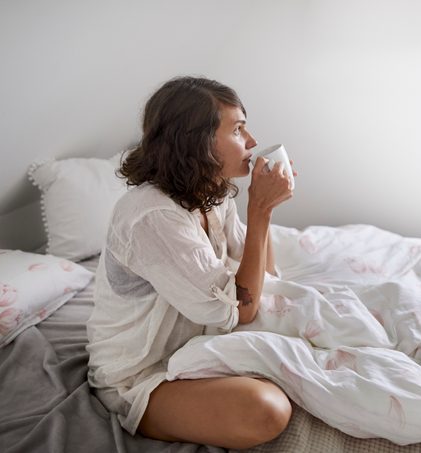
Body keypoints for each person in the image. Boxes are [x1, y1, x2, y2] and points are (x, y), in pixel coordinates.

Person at [85, 76, 296, 449]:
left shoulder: (211, 194)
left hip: (196, 343)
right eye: (238, 129)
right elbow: (241, 310)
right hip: (142, 372)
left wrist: (266, 205)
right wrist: (260, 209)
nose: (251, 142)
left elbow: (263, 274)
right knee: (267, 410)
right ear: (196, 141)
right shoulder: (152, 216)